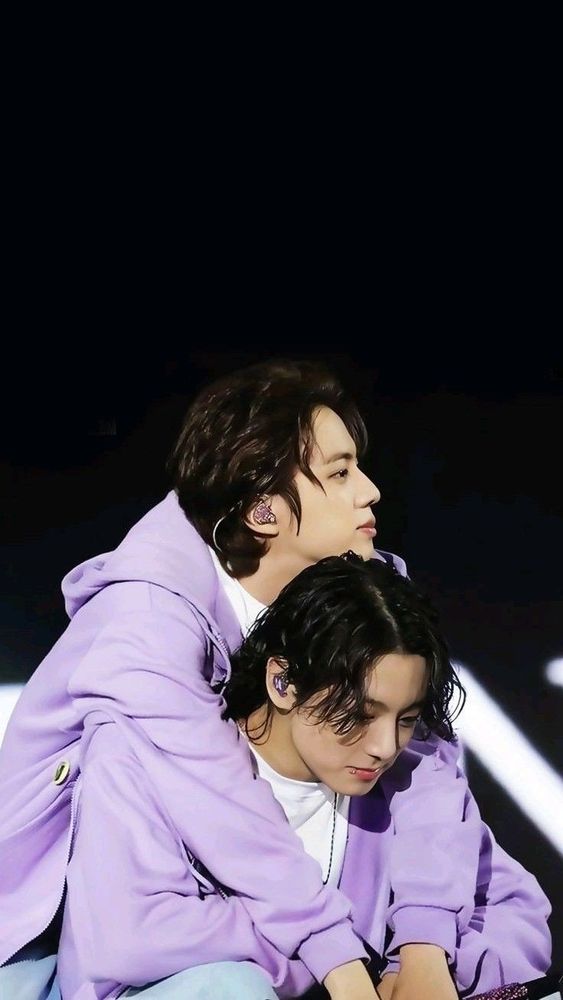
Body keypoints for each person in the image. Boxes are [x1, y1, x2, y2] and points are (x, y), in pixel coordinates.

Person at [0, 358, 532, 999]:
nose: (370, 491)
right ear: (262, 511)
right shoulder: (147, 618)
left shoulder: (364, 590)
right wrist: (342, 962)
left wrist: (424, 950)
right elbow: (221, 804)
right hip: (38, 922)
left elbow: (429, 778)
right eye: (339, 473)